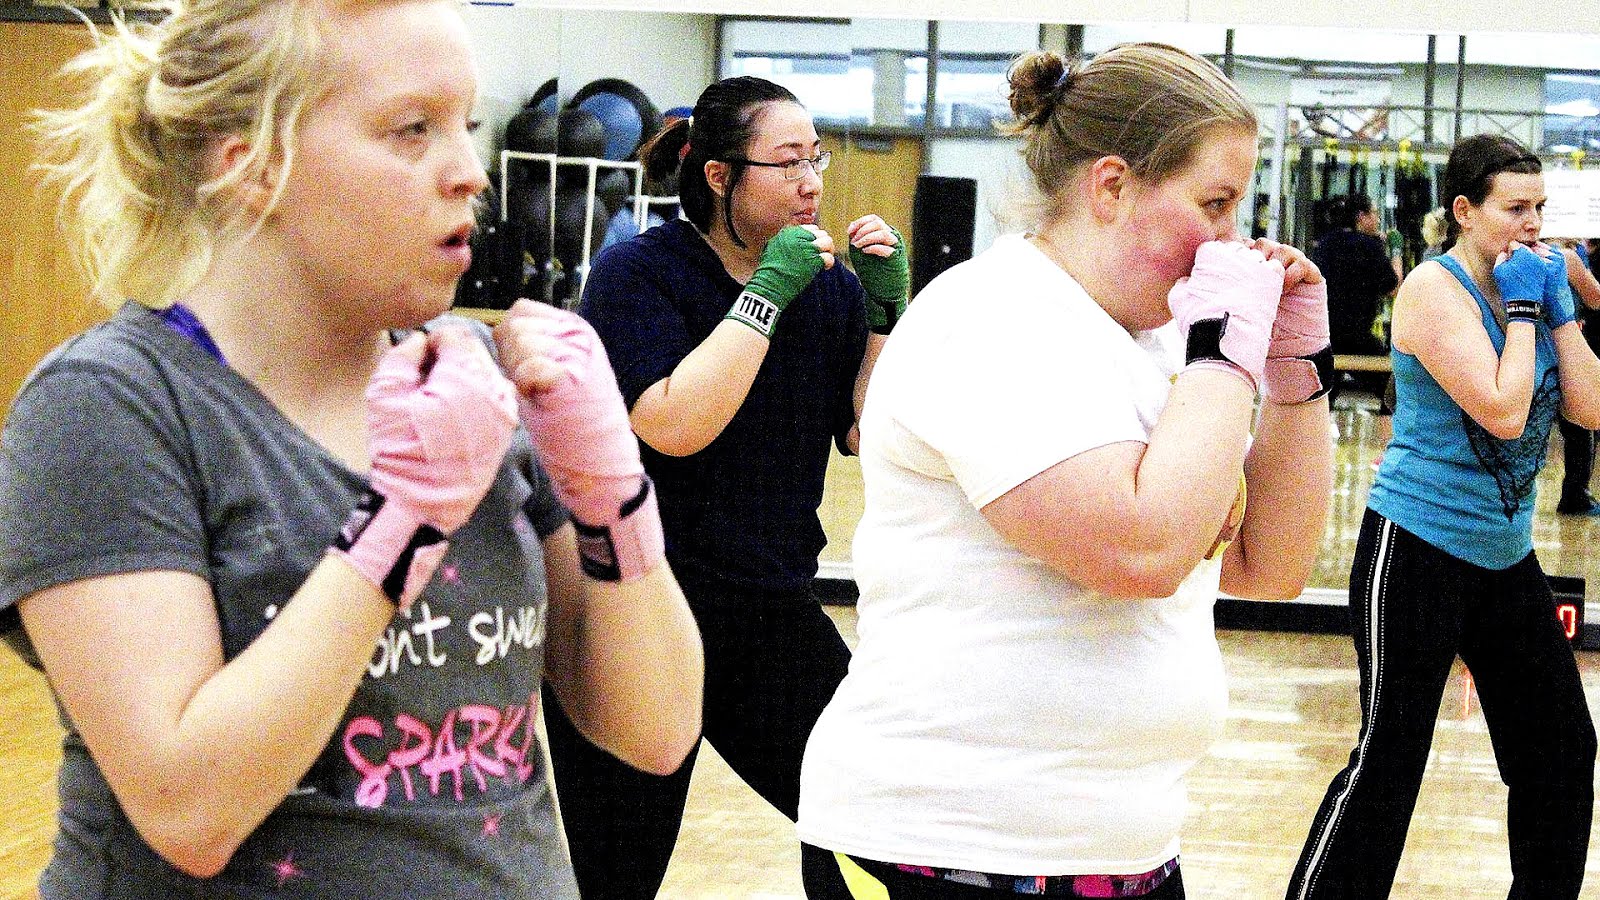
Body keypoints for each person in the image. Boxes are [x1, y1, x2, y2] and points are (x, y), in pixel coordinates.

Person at [0, 1, 703, 896]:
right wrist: (402, 520)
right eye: (412, 130)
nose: (470, 173)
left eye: (467, 127)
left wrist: (613, 495)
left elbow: (656, 730)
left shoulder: (473, 383)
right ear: (252, 166)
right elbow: (189, 810)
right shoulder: (110, 406)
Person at [796, 43, 1335, 899]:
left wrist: (1295, 373)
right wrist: (1226, 353)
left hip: (1123, 845)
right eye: (1215, 203)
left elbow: (1268, 566)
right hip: (948, 846)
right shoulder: (992, 318)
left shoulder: (1161, 339)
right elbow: (1142, 551)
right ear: (1111, 186)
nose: (1232, 239)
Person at [546, 75, 909, 899]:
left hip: (767, 613)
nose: (811, 182)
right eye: (787, 162)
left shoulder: (829, 285)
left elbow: (865, 434)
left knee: (878, 821)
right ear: (719, 176)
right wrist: (765, 295)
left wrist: (884, 322)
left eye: (815, 159)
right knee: (615, 878)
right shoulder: (638, 273)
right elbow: (673, 422)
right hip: (635, 614)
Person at [1287, 134, 1599, 899]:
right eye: (1514, 208)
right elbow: (1502, 411)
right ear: (1464, 210)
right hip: (1416, 547)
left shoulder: (1536, 286)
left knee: (1562, 748)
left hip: (1504, 557)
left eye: (1540, 208)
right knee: (1388, 763)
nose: (1533, 225)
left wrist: (1561, 313)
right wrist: (1524, 309)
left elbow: (1590, 408)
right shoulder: (1434, 289)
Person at [1314, 193, 1399, 360]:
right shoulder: (1370, 247)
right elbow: (1393, 288)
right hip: (1358, 337)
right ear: (1361, 217)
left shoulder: (1324, 244)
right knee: (1386, 371)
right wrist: (1395, 250)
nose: (1378, 219)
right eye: (1374, 213)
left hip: (1324, 336)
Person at [1549, 238, 1600, 513]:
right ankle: (1575, 495)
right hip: (1562, 346)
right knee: (1580, 426)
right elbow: (1595, 297)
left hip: (1526, 346)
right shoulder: (1565, 257)